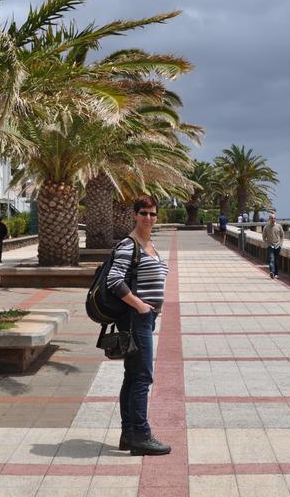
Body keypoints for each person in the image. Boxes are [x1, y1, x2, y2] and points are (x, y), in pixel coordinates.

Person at [105, 195, 171, 456]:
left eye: (153, 214)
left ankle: (128, 434)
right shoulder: (128, 244)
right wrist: (141, 305)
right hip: (136, 318)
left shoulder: (149, 244)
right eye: (143, 213)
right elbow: (114, 280)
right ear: (135, 214)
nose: (148, 218)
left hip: (145, 319)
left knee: (132, 376)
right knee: (142, 377)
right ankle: (141, 435)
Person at [262, 211, 285, 279]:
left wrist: (280, 244)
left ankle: (276, 273)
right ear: (269, 219)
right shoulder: (266, 227)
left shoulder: (279, 226)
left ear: (275, 219)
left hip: (277, 246)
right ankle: (272, 272)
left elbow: (282, 236)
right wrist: (267, 244)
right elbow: (264, 237)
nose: (273, 219)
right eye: (271, 218)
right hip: (270, 246)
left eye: (274, 218)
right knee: (271, 259)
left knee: (276, 260)